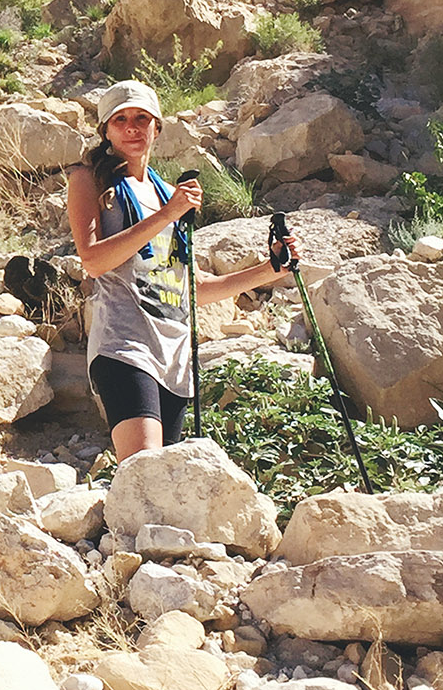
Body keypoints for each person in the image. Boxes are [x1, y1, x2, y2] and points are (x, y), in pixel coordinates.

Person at [67, 78, 297, 459]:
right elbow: (92, 261)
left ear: (157, 126)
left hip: (174, 356)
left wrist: (271, 269)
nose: (132, 127)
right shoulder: (89, 180)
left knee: (166, 483)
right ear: (105, 130)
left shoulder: (163, 193)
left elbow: (191, 289)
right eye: (120, 119)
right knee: (144, 471)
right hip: (124, 346)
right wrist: (169, 214)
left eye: (142, 118)